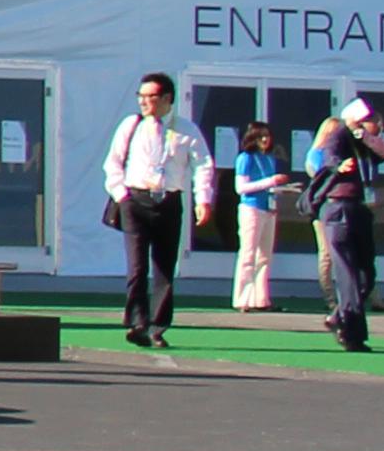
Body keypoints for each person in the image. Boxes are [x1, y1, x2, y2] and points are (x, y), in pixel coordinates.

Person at [96, 75, 210, 350]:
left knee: (164, 266)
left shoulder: (186, 130)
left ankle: (158, 326)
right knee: (137, 266)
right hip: (135, 199)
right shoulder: (132, 125)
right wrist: (122, 195)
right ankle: (137, 322)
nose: (144, 102)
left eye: (151, 97)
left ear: (167, 98)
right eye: (141, 96)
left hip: (168, 201)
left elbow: (203, 165)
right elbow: (113, 163)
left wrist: (203, 200)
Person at [301, 93, 383, 353]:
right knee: (347, 274)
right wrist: (340, 166)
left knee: (366, 275)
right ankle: (352, 333)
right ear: (356, 120)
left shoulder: (364, 142)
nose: (377, 126)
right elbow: (330, 158)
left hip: (361, 208)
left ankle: (337, 317)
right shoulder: (338, 137)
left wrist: (365, 136)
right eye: (371, 121)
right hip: (339, 209)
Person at [226, 121, 287, 313]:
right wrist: (270, 181)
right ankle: (242, 299)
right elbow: (241, 188)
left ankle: (261, 299)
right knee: (248, 253)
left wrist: (277, 190)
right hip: (251, 208)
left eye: (267, 136)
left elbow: (269, 186)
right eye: (261, 136)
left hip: (268, 208)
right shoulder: (245, 158)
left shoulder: (269, 158)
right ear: (252, 138)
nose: (265, 140)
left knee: (265, 256)